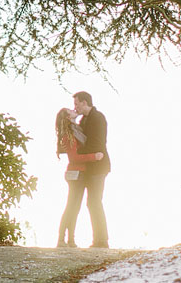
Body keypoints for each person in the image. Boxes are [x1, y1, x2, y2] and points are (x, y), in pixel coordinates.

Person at [55, 107, 104, 247]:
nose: (73, 109)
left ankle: (70, 240)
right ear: (67, 117)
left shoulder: (76, 130)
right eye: (70, 110)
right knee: (71, 206)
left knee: (75, 207)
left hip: (80, 174)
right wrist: (94, 157)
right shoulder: (68, 134)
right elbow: (74, 157)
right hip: (75, 174)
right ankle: (61, 239)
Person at [73, 91, 110, 248]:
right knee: (91, 202)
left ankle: (101, 241)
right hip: (90, 166)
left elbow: (98, 143)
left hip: (99, 166)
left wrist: (77, 153)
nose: (75, 107)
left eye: (76, 104)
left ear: (84, 102)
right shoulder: (83, 120)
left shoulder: (98, 117)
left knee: (95, 201)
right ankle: (99, 240)